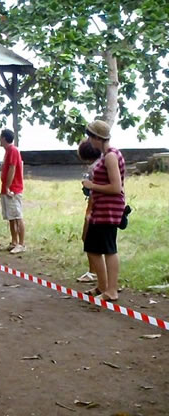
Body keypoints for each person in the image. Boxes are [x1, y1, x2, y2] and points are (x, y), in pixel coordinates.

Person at [82, 120, 126, 301]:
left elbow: (116, 187)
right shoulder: (107, 155)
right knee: (92, 248)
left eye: (90, 136)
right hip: (102, 210)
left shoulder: (110, 157)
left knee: (108, 249)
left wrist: (92, 185)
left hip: (109, 211)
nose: (89, 141)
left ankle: (111, 290)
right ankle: (102, 286)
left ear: (97, 138)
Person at [77, 139, 102, 283]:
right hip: (99, 208)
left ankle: (94, 272)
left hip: (94, 208)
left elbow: (93, 192)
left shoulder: (94, 168)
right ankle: (95, 272)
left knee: (88, 239)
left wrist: (89, 211)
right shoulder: (100, 164)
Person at [0, 128, 26, 254]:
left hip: (13, 189)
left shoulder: (13, 150)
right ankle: (14, 241)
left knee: (17, 216)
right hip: (7, 188)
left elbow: (12, 169)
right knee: (11, 217)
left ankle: (21, 243)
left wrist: (8, 187)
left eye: (0, 137)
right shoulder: (8, 151)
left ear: (4, 138)